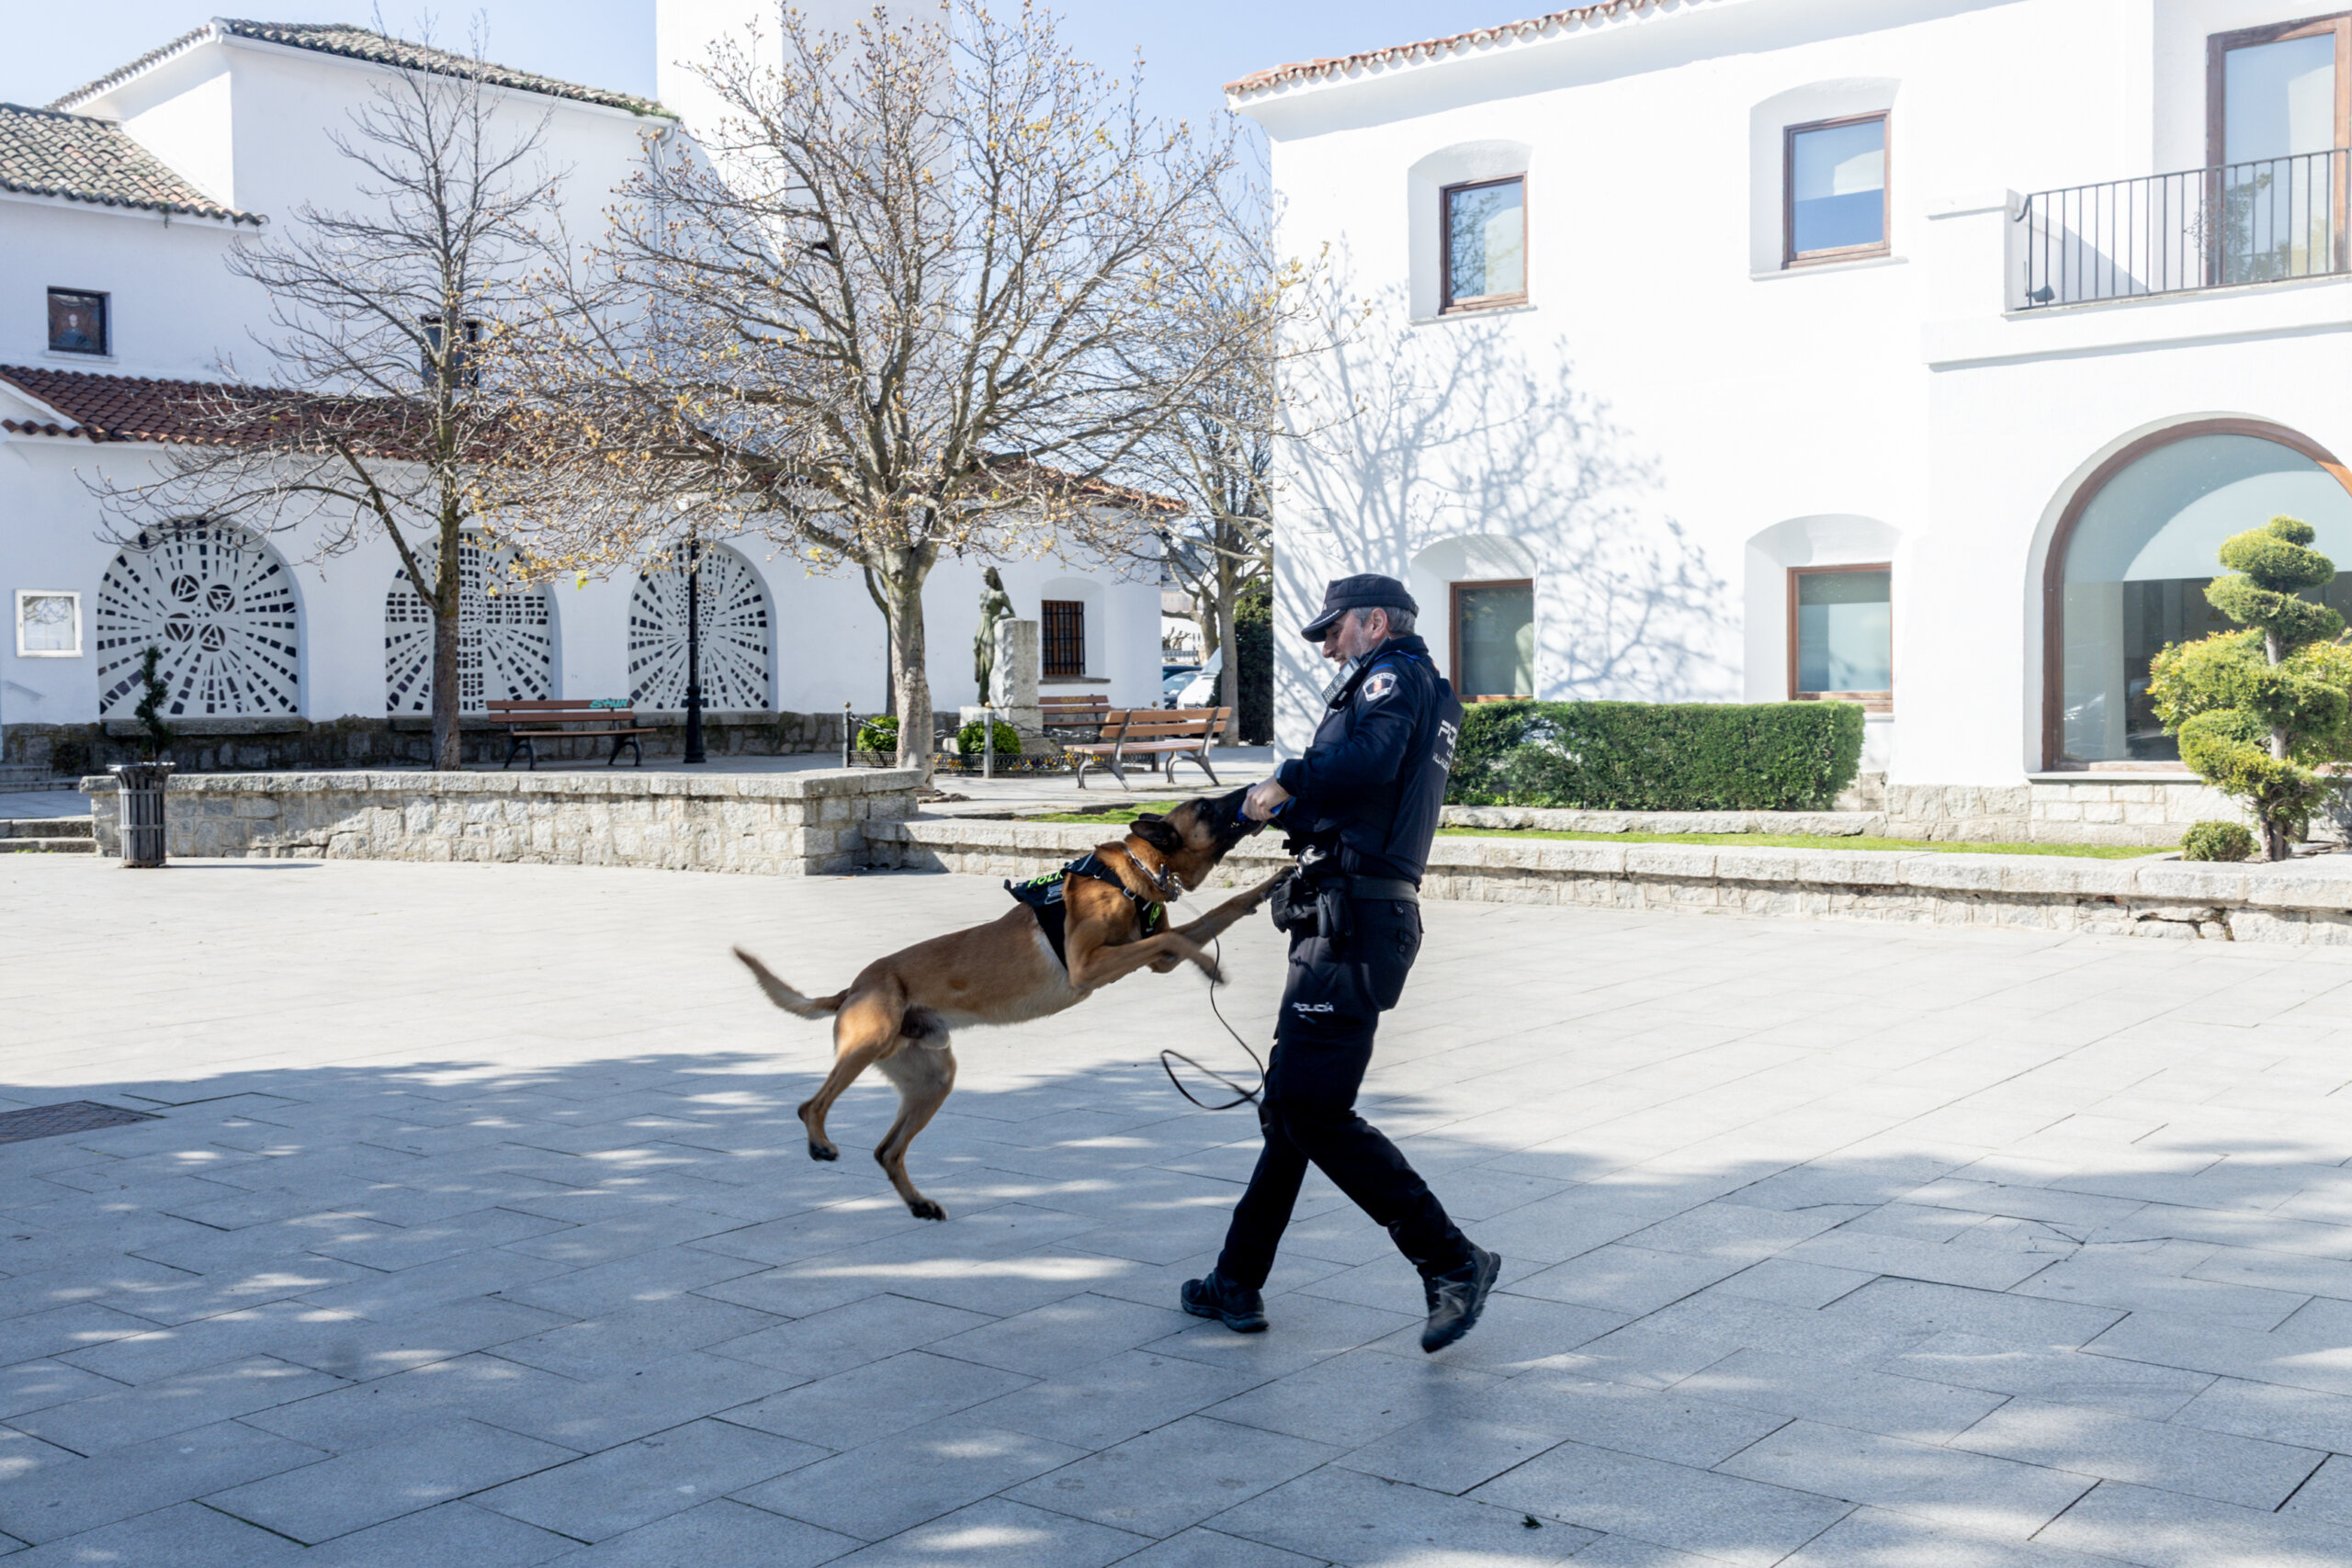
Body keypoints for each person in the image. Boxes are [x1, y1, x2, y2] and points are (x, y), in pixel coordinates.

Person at [1182, 574, 1498, 1353]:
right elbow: (1350, 793)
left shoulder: (1394, 679)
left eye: (1334, 631)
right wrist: (1254, 809)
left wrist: (1287, 774)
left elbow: (1365, 762)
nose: (1325, 645)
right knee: (1291, 1105)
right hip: (1345, 914)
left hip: (1355, 922)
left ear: (1376, 622)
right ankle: (1236, 1278)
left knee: (1314, 1108)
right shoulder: (1415, 687)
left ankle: (1452, 1259)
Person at [974, 567, 1015, 700]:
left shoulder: (1000, 595)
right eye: (983, 576)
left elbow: (1012, 613)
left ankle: (989, 695)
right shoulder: (983, 593)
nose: (985, 579)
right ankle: (982, 694)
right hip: (981, 627)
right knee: (978, 656)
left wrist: (1000, 617)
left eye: (987, 576)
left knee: (989, 661)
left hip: (991, 629)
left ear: (994, 577)